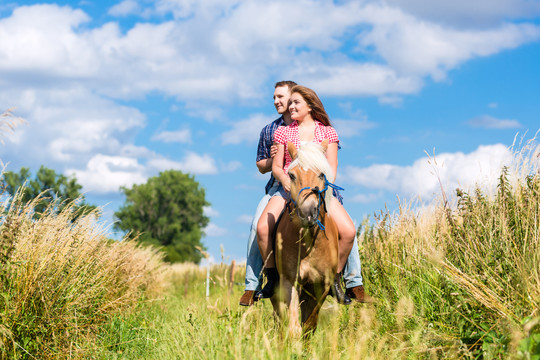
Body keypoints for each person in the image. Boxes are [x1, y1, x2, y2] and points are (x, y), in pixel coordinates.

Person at [239, 82, 372, 306]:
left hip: (319, 190)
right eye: (289, 102)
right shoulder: (283, 132)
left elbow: (331, 169)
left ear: (310, 105)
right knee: (261, 227)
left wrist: (320, 190)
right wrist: (285, 182)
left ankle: (338, 280)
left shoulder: (327, 132)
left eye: (295, 102)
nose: (290, 106)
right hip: (289, 188)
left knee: (348, 231)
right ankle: (271, 278)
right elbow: (277, 167)